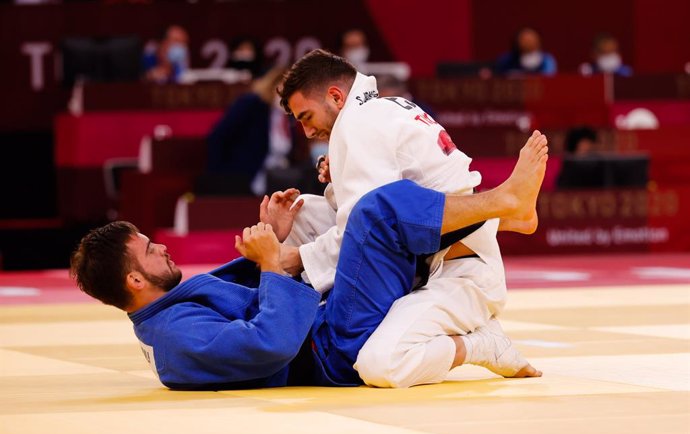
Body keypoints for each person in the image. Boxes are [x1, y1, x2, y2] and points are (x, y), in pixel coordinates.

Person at [70, 153, 546, 390]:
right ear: (134, 281)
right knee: (376, 211)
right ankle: (502, 208)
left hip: (324, 325)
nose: (164, 248)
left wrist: (277, 241)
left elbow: (248, 290)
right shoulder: (177, 341)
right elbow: (271, 344)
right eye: (151, 251)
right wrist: (274, 264)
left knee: (319, 211)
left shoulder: (169, 312)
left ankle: (473, 236)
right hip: (332, 350)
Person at [273, 49, 545, 387]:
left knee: (378, 364)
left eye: (307, 116)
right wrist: (337, 178)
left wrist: (296, 258)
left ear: (335, 96)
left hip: (460, 276)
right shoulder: (383, 109)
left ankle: (480, 343)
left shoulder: (357, 126)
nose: (306, 130)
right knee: (303, 210)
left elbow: (366, 225)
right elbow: (378, 214)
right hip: (426, 256)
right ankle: (505, 214)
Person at [206, 67, 305, 196]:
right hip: (241, 178)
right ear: (273, 85)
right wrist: (218, 176)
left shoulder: (290, 116)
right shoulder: (251, 104)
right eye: (285, 88)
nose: (287, 95)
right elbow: (218, 136)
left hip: (276, 181)